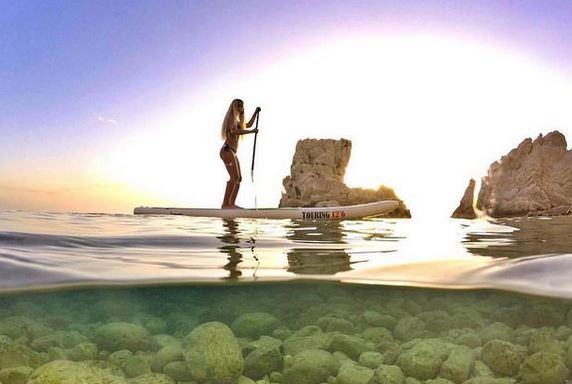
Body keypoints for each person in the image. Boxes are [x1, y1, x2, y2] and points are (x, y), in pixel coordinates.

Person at [220, 99, 261, 209]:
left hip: (233, 152)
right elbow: (234, 131)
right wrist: (252, 132)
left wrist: (255, 113)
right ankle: (225, 204)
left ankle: (231, 204)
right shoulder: (230, 118)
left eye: (242, 106)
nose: (240, 107)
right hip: (227, 150)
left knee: (239, 178)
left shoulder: (237, 121)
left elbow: (247, 124)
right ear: (233, 106)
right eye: (238, 105)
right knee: (234, 177)